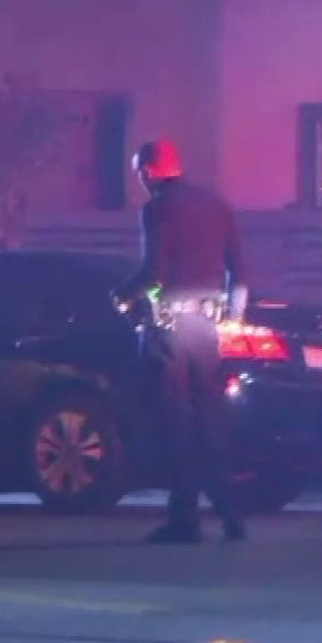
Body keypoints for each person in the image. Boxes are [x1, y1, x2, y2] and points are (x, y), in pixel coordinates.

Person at [115, 139, 250, 544]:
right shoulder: (216, 205)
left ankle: (184, 518)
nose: (140, 181)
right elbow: (239, 273)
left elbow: (153, 272)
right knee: (208, 420)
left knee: (176, 424)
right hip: (206, 329)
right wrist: (232, 320)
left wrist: (123, 296)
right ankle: (230, 513)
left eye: (140, 172)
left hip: (170, 328)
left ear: (152, 170)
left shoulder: (158, 209)